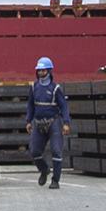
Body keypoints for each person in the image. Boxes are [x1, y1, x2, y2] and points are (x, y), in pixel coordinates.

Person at [26, 56, 71, 188]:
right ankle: (44, 170)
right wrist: (29, 120)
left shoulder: (56, 88)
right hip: (38, 122)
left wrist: (66, 123)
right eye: (39, 71)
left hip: (54, 122)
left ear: (49, 71)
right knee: (34, 151)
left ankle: (55, 180)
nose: (41, 73)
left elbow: (64, 106)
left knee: (56, 151)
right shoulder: (34, 87)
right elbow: (30, 105)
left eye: (43, 71)